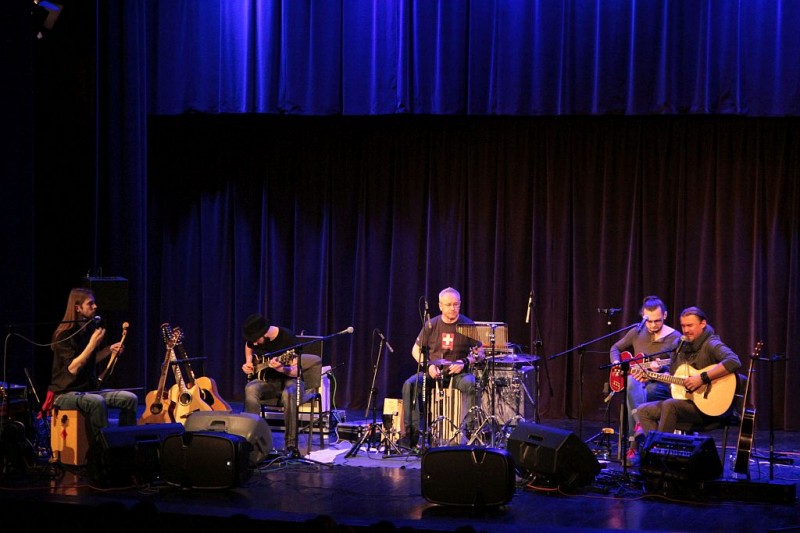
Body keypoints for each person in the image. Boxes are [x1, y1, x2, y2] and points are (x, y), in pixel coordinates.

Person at [633, 306, 742, 447]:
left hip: (709, 409)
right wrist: (652, 376)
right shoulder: (681, 346)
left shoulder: (711, 343)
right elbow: (674, 378)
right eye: (683, 326)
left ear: (703, 324)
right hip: (687, 402)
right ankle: (657, 451)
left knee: (669, 405)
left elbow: (733, 361)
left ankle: (660, 452)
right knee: (643, 410)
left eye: (690, 325)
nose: (685, 330)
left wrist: (702, 378)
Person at [48, 288, 138, 443]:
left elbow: (90, 359)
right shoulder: (63, 334)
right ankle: (102, 449)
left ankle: (126, 445)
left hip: (88, 390)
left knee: (130, 398)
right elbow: (73, 368)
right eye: (90, 304)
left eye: (94, 303)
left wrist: (109, 350)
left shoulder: (88, 329)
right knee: (97, 401)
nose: (95, 306)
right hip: (65, 394)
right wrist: (91, 345)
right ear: (77, 308)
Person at [399, 287, 482, 449]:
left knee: (472, 383)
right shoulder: (431, 325)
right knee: (410, 384)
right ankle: (410, 436)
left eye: (456, 304)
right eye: (448, 305)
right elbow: (415, 350)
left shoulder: (467, 324)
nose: (453, 308)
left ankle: (470, 432)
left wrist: (465, 361)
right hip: (434, 373)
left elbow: (480, 352)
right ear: (440, 306)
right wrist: (428, 365)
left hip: (458, 375)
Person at [609, 295, 681, 465]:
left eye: (657, 321)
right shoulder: (637, 332)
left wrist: (661, 368)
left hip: (661, 384)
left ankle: (634, 445)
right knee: (632, 384)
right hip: (638, 381)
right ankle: (640, 430)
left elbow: (679, 367)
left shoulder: (675, 337)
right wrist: (617, 362)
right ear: (643, 317)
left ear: (665, 315)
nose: (653, 325)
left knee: (645, 390)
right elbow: (615, 348)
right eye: (649, 321)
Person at [241, 313, 305, 455]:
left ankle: (291, 445)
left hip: (291, 380)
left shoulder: (287, 338)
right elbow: (248, 345)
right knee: (251, 388)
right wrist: (248, 362)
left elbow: (296, 372)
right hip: (268, 382)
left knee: (289, 393)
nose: (254, 343)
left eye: (256, 339)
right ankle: (252, 441)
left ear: (264, 333)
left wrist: (281, 368)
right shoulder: (254, 341)